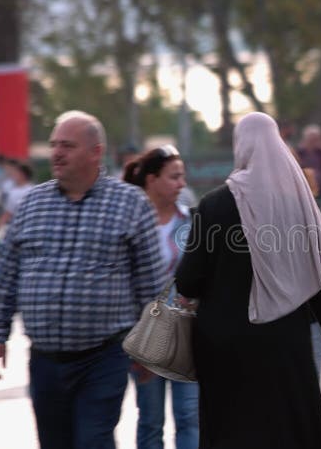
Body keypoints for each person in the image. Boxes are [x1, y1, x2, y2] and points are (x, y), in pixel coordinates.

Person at [0, 110, 166, 449]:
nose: (56, 153)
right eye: (54, 145)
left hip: (103, 356)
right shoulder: (32, 204)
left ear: (95, 152)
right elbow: (6, 272)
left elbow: (150, 284)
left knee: (93, 440)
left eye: (67, 145)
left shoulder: (130, 203)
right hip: (45, 360)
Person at [175, 112, 321, 449]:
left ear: (241, 147)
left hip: (224, 346)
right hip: (286, 345)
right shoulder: (302, 206)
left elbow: (188, 281)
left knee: (231, 429)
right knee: (287, 428)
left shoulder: (214, 205)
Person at [123, 145, 200, 449]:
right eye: (174, 177)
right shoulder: (131, 223)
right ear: (152, 180)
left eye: (182, 177)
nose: (182, 183)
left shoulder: (191, 223)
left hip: (186, 334)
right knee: (151, 418)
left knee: (189, 415)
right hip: (146, 335)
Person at [0, 160, 34, 237]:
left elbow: (7, 214)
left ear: (22, 175)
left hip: (18, 231)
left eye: (16, 173)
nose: (13, 176)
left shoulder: (15, 193)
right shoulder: (34, 189)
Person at [297, 124, 321, 206]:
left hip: (320, 189)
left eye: (316, 139)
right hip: (303, 189)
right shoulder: (299, 153)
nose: (314, 141)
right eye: (312, 139)